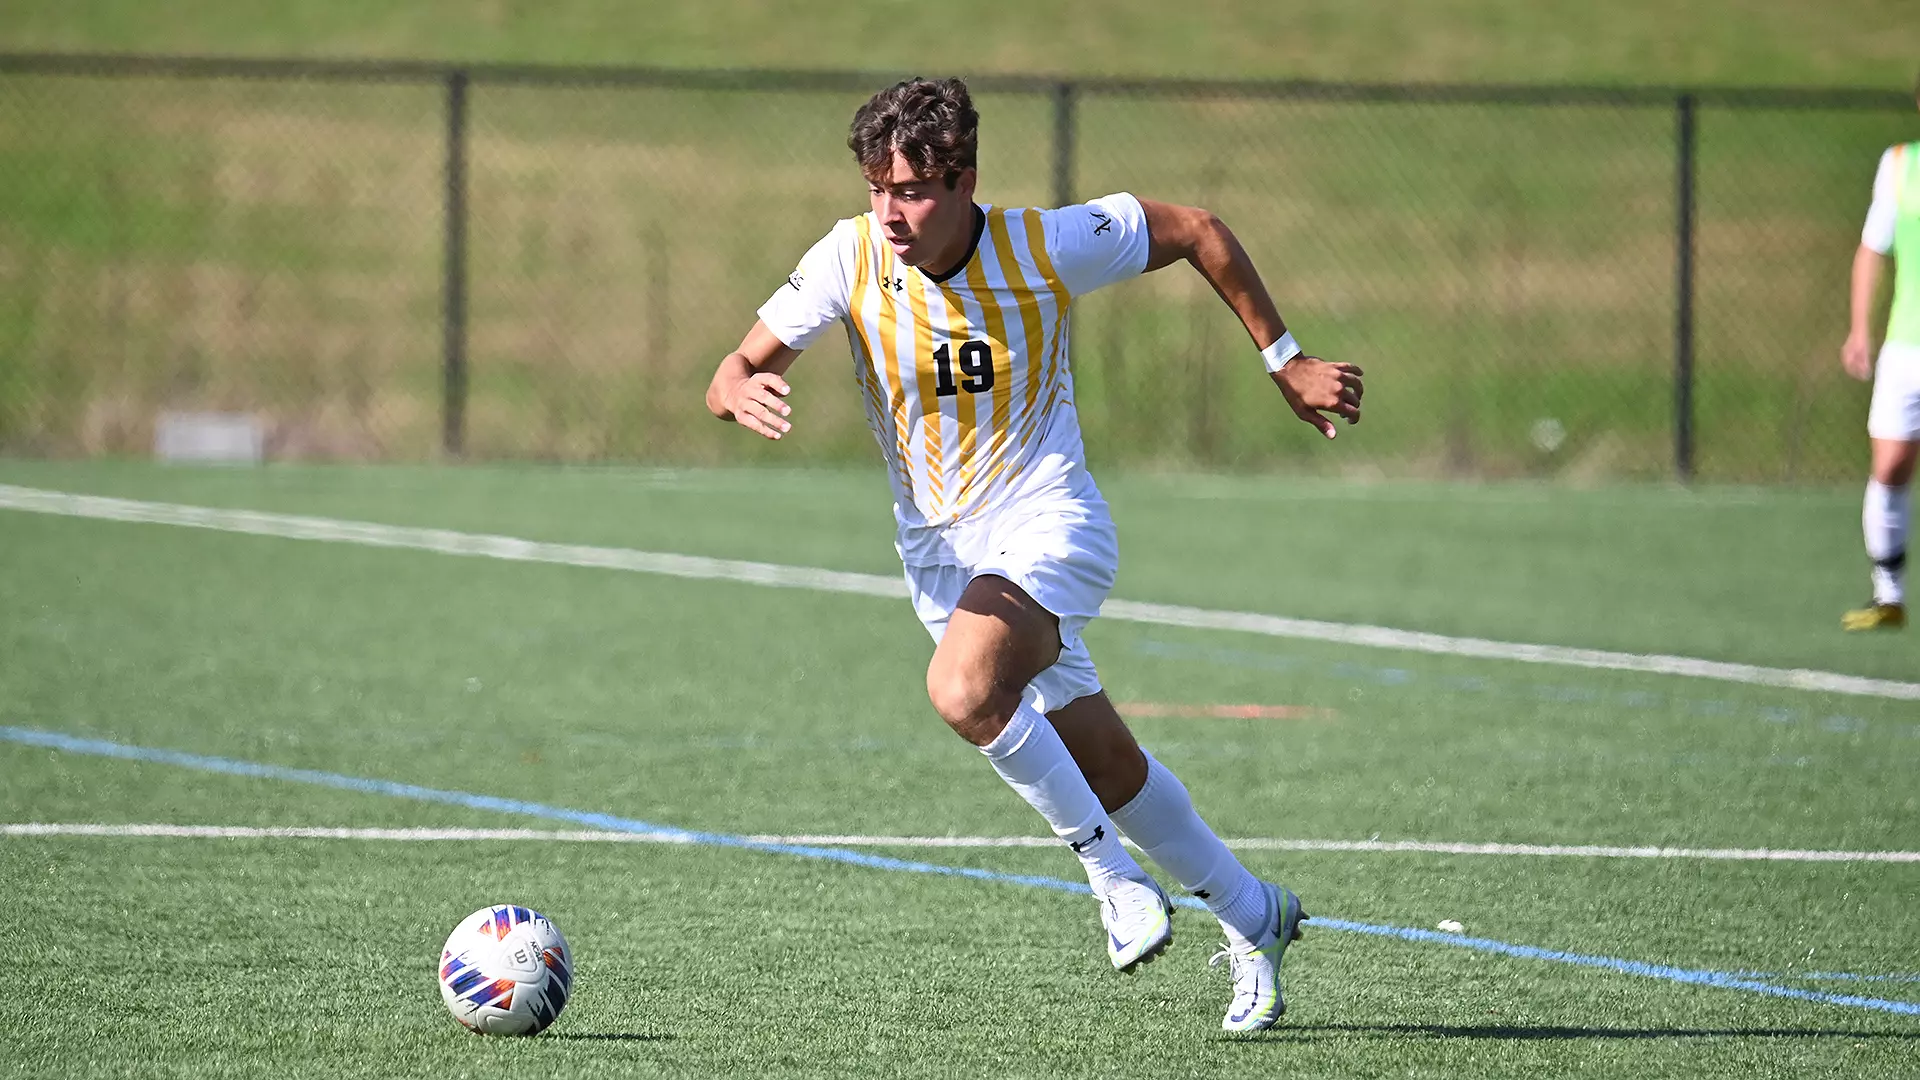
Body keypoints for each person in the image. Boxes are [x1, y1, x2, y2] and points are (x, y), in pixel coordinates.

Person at [704, 77, 1363, 1032]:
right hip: (942, 560)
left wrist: (1285, 360)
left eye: (912, 191)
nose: (890, 212)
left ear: (965, 180)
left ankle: (1113, 881)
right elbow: (733, 367)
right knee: (1108, 765)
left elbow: (1199, 231)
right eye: (877, 188)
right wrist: (736, 390)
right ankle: (1254, 914)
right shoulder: (849, 256)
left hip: (1050, 523)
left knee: (962, 688)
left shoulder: (1045, 247)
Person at [1842, 77, 1920, 632]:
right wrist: (1858, 330)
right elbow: (1872, 248)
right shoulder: (1899, 165)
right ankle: (1888, 595)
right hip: (1906, 348)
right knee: (1890, 466)